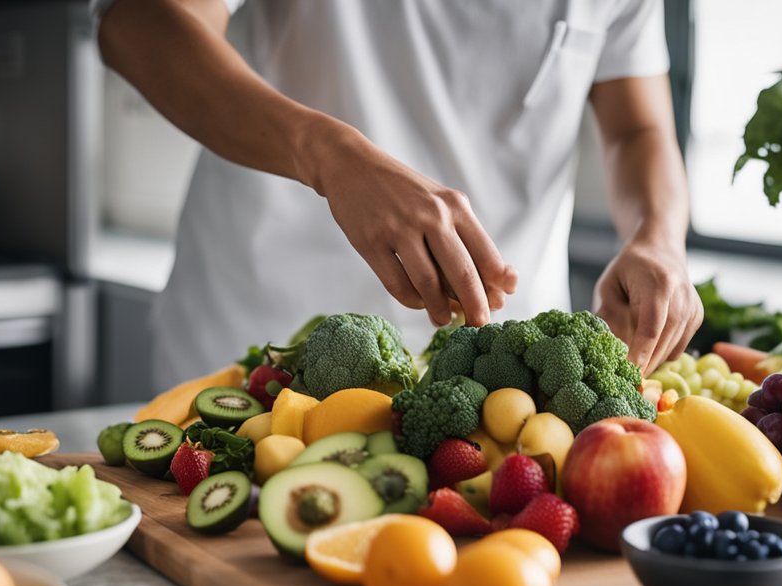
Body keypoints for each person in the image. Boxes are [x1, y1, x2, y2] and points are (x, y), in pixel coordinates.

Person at [94, 0, 701, 387]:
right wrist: (330, 155)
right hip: (258, 333)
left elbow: (636, 127)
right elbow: (139, 23)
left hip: (499, 365)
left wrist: (659, 237)